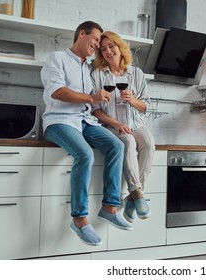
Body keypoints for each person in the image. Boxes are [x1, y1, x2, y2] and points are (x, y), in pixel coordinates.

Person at [41, 21, 132, 246]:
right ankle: (80, 219)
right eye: (96, 39)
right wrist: (92, 98)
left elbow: (99, 100)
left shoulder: (89, 68)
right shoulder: (57, 58)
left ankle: (110, 207)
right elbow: (57, 92)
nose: (98, 45)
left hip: (84, 121)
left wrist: (114, 121)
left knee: (117, 145)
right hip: (59, 121)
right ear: (82, 34)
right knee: (85, 154)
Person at [91, 31, 155, 224]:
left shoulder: (136, 73)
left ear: (120, 47)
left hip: (135, 123)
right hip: (112, 125)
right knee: (127, 141)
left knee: (149, 144)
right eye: (103, 49)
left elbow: (145, 107)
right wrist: (116, 123)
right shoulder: (98, 75)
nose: (108, 51)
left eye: (112, 46)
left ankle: (133, 198)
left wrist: (132, 100)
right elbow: (95, 110)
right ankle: (137, 193)